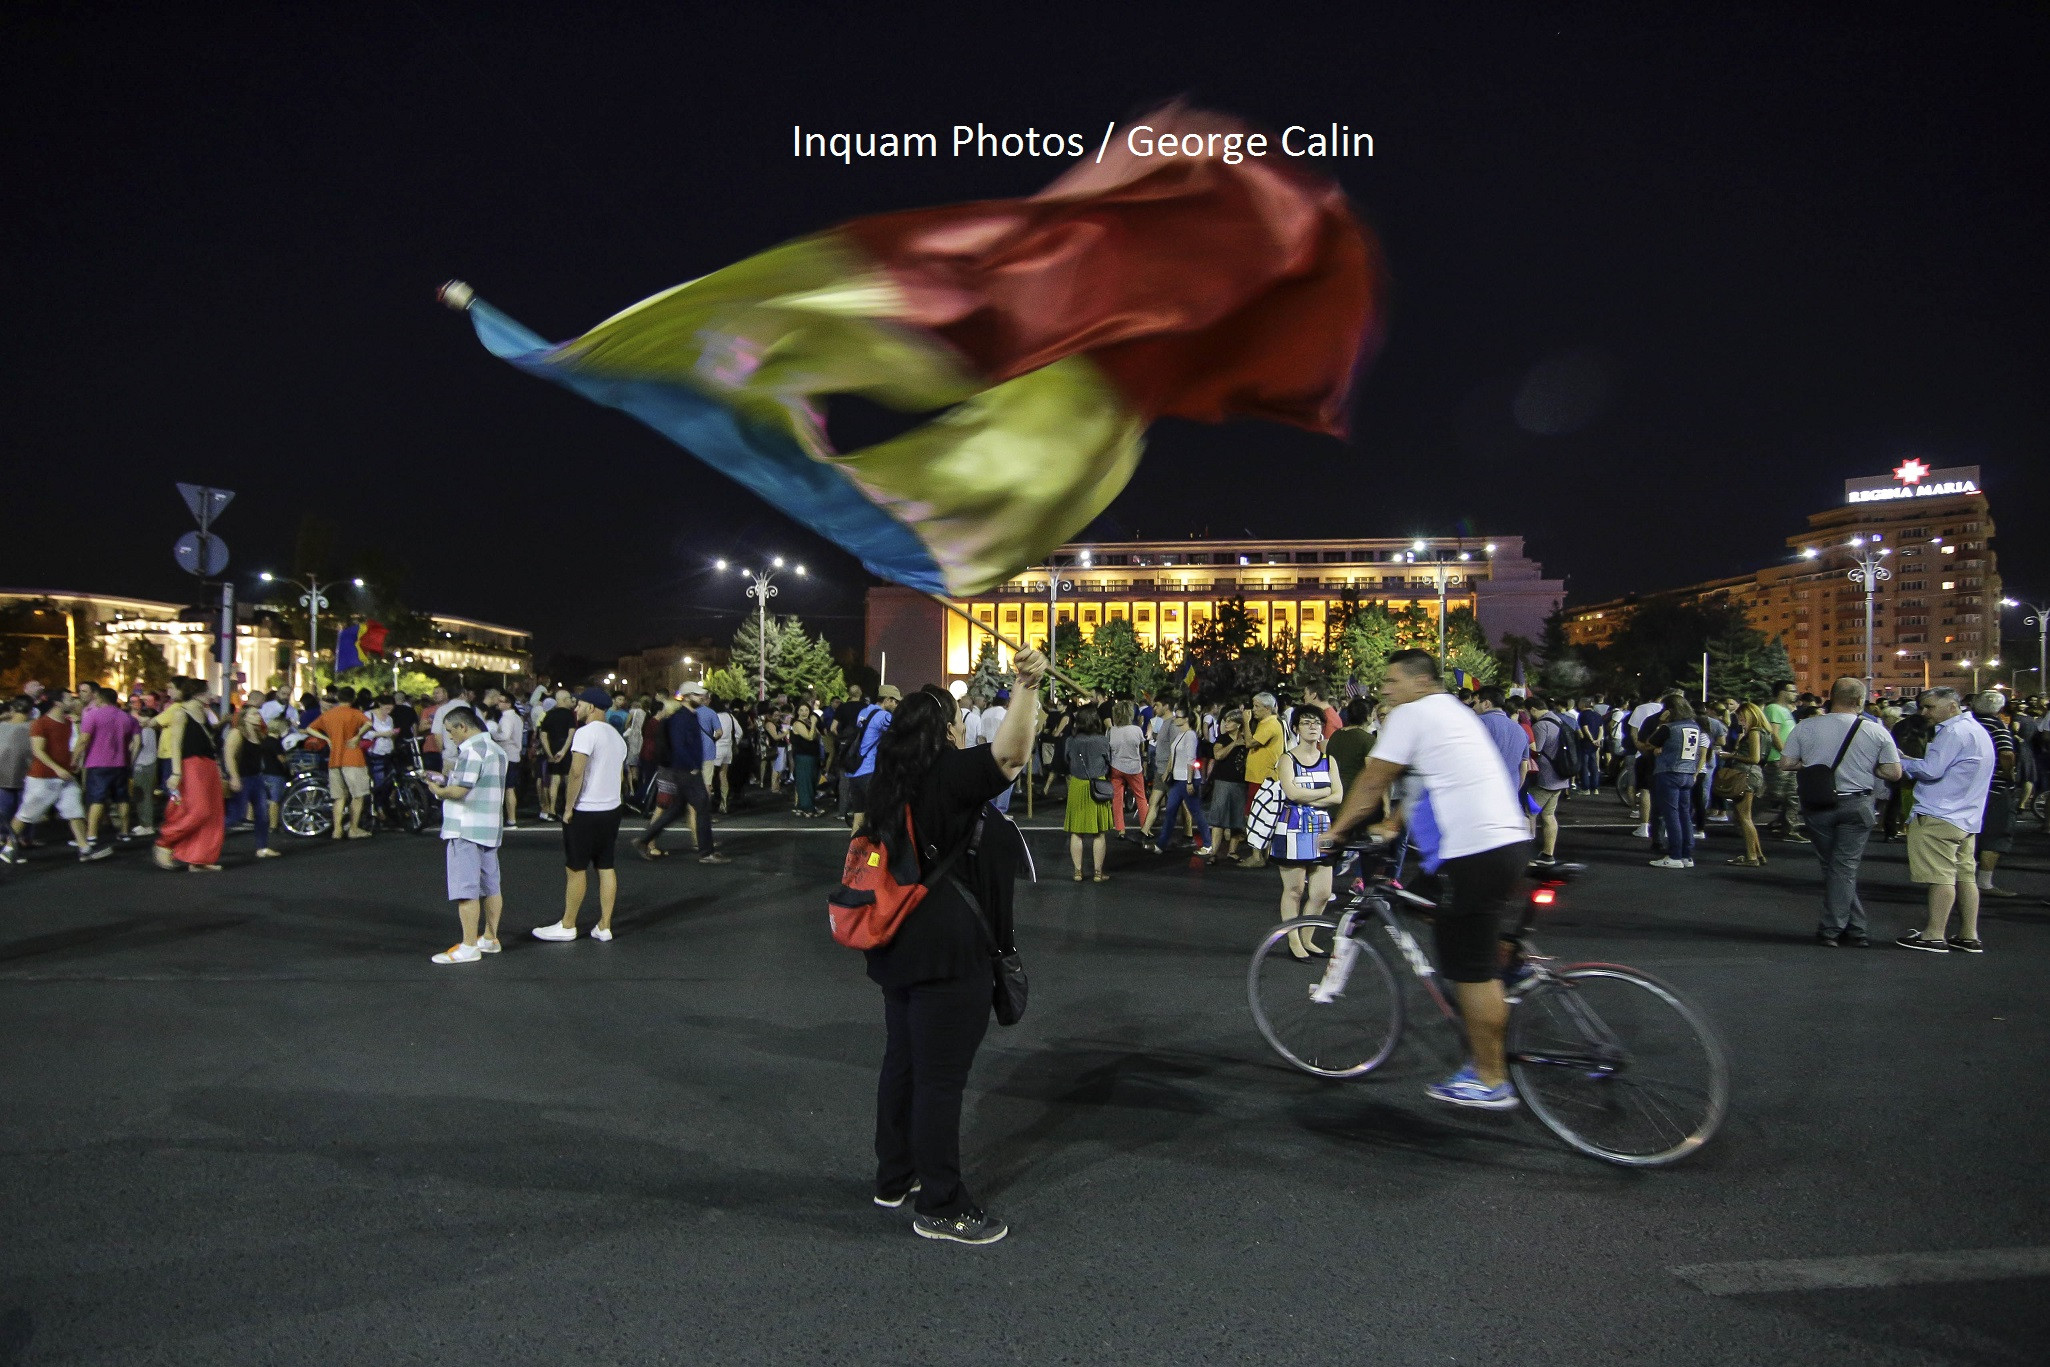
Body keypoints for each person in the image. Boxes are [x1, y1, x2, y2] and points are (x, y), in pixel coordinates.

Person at [861, 648, 1044, 1245]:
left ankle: (895, 1177)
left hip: (898, 944)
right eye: (958, 720)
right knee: (941, 1080)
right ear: (945, 729)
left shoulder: (890, 782)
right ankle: (941, 1203)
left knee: (904, 1063)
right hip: (948, 952)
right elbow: (1013, 755)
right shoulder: (947, 774)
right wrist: (1023, 685)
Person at [1325, 650, 1532, 1110]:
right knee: (1423, 902)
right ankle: (1511, 963)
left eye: (1392, 680)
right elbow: (1430, 780)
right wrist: (1394, 824)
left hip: (1473, 853)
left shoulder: (1412, 714)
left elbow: (1373, 779)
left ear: (1420, 683)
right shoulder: (1455, 713)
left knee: (1467, 971)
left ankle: (1489, 1078)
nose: (1384, 689)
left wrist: (1336, 832)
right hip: (1507, 843)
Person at [1777, 678, 1902, 946]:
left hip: (1818, 804)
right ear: (1860, 700)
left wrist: (1812, 766)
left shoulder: (1806, 726)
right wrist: (1871, 769)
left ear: (1830, 697)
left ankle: (1834, 929)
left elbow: (1786, 763)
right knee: (1843, 867)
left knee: (1833, 866)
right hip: (1858, 804)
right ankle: (1854, 931)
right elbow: (1894, 772)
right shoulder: (1876, 730)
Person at [1894, 687, 1996, 952]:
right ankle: (1968, 935)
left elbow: (1931, 770)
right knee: (1965, 877)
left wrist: (1902, 762)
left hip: (1940, 813)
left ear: (1952, 706)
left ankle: (1934, 934)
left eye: (1929, 707)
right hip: (1967, 816)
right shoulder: (1975, 731)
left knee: (1941, 877)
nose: (1923, 712)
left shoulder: (1952, 732)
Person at [536, 687, 630, 943]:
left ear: (592, 707)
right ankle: (605, 925)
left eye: (580, 705)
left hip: (586, 809)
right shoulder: (616, 736)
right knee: (606, 866)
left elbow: (576, 773)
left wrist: (568, 808)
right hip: (611, 808)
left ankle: (568, 925)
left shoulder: (586, 734)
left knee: (576, 868)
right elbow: (619, 775)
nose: (576, 709)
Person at [421, 706, 510, 963]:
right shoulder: (497, 750)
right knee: (491, 887)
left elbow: (459, 791)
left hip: (466, 827)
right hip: (490, 826)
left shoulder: (472, 751)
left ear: (463, 727)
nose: (449, 736)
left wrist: (436, 789)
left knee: (466, 890)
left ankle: (469, 946)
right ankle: (490, 938)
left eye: (450, 731)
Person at [1271, 707, 1343, 959]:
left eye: (1316, 722)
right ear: (1296, 728)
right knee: (1294, 891)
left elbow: (1339, 796)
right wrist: (1323, 794)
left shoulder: (1329, 760)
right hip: (1291, 829)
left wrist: (1308, 798)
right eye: (1306, 722)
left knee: (1322, 893)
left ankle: (1307, 938)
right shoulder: (1287, 759)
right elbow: (1292, 793)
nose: (1313, 726)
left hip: (1322, 830)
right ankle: (1294, 942)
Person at [636, 681, 728, 863]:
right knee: (702, 807)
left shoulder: (690, 715)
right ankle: (706, 853)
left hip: (685, 769)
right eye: (696, 694)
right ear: (686, 697)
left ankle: (644, 840)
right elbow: (679, 746)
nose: (701, 697)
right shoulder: (681, 718)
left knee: (676, 810)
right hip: (686, 770)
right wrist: (692, 766)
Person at [2, 695, 98, 864]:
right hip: (41, 778)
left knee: (74, 810)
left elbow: (68, 748)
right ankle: (8, 848)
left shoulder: (68, 723)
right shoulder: (41, 723)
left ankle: (84, 848)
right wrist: (57, 768)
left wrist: (72, 762)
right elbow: (38, 750)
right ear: (57, 702)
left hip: (64, 777)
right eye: (69, 699)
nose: (73, 702)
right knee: (26, 814)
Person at [152, 678, 225, 872]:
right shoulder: (180, 713)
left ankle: (200, 858)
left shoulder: (205, 713)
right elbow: (176, 744)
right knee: (198, 810)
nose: (211, 695)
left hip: (208, 765)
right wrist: (176, 772)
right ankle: (165, 842)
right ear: (197, 693)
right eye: (208, 691)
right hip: (191, 765)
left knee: (213, 813)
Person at [75, 683, 140, 854]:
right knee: (122, 798)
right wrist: (130, 760)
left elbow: (83, 740)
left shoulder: (93, 715)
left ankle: (91, 834)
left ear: (99, 698)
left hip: (97, 763)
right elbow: (137, 742)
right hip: (120, 764)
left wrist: (74, 758)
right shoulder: (127, 718)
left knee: (97, 799)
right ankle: (125, 832)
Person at [1968, 691, 2020, 898]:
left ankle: (1964, 879)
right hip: (1994, 788)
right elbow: (2006, 754)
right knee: (1996, 833)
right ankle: (1984, 883)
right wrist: (2010, 775)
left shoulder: (1966, 724)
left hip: (1969, 787)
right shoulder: (1997, 726)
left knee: (1971, 834)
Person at [1644, 694, 1704, 870]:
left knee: (1671, 814)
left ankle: (1674, 854)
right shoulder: (1694, 726)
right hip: (1688, 772)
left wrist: (1660, 723)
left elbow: (1649, 743)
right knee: (1684, 814)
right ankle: (1686, 854)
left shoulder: (1669, 727)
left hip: (1669, 772)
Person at [304, 691, 372, 839]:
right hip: (353, 758)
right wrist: (357, 736)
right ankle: (354, 829)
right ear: (353, 699)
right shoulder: (354, 713)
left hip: (335, 758)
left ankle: (337, 830)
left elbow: (310, 728)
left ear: (338, 699)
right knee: (358, 795)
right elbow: (368, 723)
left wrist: (327, 739)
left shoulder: (328, 714)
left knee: (339, 797)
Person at [1151, 702, 1213, 856]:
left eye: (1178, 716)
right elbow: (1173, 755)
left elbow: (1191, 760)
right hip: (1178, 780)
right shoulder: (1180, 734)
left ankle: (1207, 844)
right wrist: (1167, 771)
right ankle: (1161, 844)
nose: (1175, 718)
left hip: (1187, 780)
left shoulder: (1190, 735)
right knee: (1171, 812)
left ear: (1186, 719)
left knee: (1196, 812)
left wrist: (1190, 781)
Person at [220, 706, 280, 860]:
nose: (258, 716)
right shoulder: (237, 733)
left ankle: (262, 847)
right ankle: (207, 840)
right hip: (243, 778)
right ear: (245, 717)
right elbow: (229, 756)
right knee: (235, 815)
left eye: (258, 714)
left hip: (256, 778)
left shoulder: (258, 734)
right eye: (254, 714)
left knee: (262, 814)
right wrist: (234, 777)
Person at [1062, 703, 1114, 880]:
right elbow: (1109, 761)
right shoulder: (1102, 740)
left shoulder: (1071, 741)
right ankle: (1098, 873)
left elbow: (1066, 760)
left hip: (1077, 785)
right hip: (1098, 786)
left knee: (1076, 832)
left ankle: (1078, 872)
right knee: (1099, 833)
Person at [1720, 701, 1771, 867]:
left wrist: (1731, 756)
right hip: (1754, 774)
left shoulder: (1755, 732)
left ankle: (1751, 857)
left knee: (1744, 817)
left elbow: (1754, 758)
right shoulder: (1764, 732)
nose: (1740, 721)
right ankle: (1758, 854)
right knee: (1745, 817)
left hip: (1747, 774)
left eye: (1741, 718)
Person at [1760, 679, 1808, 843]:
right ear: (1782, 692)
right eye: (1792, 690)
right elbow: (1774, 734)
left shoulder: (1784, 710)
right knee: (1773, 795)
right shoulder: (1774, 709)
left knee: (1792, 797)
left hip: (1788, 761)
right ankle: (1743, 818)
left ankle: (1789, 829)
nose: (1795, 693)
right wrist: (1786, 753)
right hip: (1778, 760)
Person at [846, 685, 901, 828]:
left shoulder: (864, 711)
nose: (897, 705)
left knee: (858, 820)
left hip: (855, 772)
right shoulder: (884, 716)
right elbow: (899, 734)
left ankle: (854, 850)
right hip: (869, 772)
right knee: (880, 818)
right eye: (896, 701)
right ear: (887, 700)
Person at [1526, 696, 1571, 865]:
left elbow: (1535, 749)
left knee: (1529, 813)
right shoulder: (1561, 721)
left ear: (1532, 710)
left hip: (1545, 779)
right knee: (1549, 815)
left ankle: (1527, 855)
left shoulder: (1541, 725)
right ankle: (1548, 853)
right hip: (1560, 777)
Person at [1203, 708, 1250, 864]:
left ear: (1238, 724)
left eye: (1230, 721)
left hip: (1241, 783)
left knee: (1237, 818)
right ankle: (1214, 852)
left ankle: (1232, 851)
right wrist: (1234, 744)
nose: (1226, 723)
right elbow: (1218, 755)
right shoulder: (1222, 738)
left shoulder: (1247, 739)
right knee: (1219, 819)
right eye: (1226, 720)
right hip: (1223, 781)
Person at [1104, 701, 1148, 838]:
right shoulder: (1136, 730)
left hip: (1116, 767)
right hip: (1134, 767)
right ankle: (1145, 827)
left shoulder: (1111, 731)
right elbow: (1141, 749)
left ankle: (1120, 829)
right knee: (1141, 797)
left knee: (1117, 799)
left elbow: (1108, 749)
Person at [538, 688, 577, 820]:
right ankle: (568, 808)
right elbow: (571, 734)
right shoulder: (569, 715)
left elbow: (543, 736)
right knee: (567, 779)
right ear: (565, 700)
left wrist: (549, 753)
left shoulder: (549, 714)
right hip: (566, 750)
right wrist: (564, 751)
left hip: (552, 748)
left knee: (554, 780)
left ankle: (552, 809)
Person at [489, 694, 525, 828]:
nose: (497, 703)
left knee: (508, 788)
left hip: (507, 754)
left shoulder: (507, 718)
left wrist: (491, 732)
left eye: (500, 701)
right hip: (514, 754)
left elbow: (504, 735)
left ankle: (510, 818)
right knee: (510, 787)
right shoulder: (516, 717)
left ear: (508, 704)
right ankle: (511, 818)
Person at [789, 701, 822, 815]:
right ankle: (807, 807)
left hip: (812, 755)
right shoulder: (797, 723)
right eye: (801, 710)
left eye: (807, 710)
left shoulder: (807, 721)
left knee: (812, 781)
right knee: (805, 781)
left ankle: (807, 805)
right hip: (803, 756)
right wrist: (813, 723)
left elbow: (819, 734)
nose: (804, 713)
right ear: (797, 711)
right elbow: (809, 737)